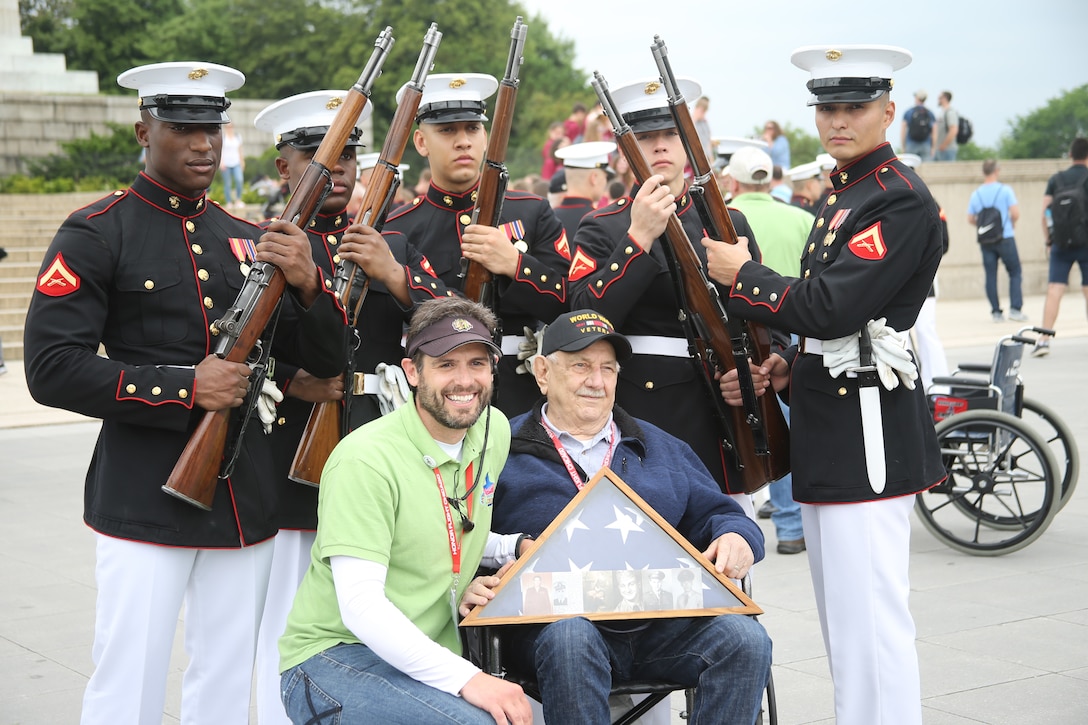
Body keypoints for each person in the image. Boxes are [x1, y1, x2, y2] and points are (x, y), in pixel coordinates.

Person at [22, 61, 349, 725]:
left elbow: (324, 361)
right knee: (129, 679)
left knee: (228, 681)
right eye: (183, 127)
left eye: (213, 127)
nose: (204, 142)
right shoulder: (98, 230)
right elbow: (51, 365)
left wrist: (311, 286)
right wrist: (183, 387)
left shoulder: (248, 237)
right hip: (145, 491)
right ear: (145, 130)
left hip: (242, 495)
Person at [702, 44, 945, 725]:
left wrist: (742, 274)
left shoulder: (896, 200)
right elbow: (833, 319)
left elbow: (833, 304)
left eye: (854, 107)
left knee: (871, 622)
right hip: (833, 422)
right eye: (828, 108)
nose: (838, 120)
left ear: (888, 112)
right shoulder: (847, 191)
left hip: (864, 430)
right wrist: (791, 360)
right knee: (847, 620)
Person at [250, 89, 447, 725]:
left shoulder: (387, 243)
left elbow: (458, 329)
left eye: (347, 157)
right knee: (290, 607)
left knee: (386, 604)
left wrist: (396, 276)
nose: (336, 170)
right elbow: (233, 344)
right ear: (285, 167)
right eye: (317, 156)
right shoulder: (266, 242)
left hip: (381, 435)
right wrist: (289, 378)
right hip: (296, 442)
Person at [491, 308, 772, 725]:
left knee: (745, 639)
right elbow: (463, 532)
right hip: (550, 626)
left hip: (656, 625)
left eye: (608, 368)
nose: (596, 381)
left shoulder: (660, 446)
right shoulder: (501, 448)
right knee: (572, 637)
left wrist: (737, 538)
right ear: (543, 372)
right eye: (581, 366)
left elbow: (722, 514)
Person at [278, 297, 532, 725]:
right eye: (445, 365)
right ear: (413, 372)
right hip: (335, 657)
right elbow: (361, 607)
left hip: (422, 653)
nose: (464, 380)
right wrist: (471, 679)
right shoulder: (366, 459)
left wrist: (513, 547)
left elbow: (442, 525)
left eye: (477, 363)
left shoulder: (495, 429)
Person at [568, 76, 770, 508]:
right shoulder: (603, 226)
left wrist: (758, 369)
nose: (659, 146)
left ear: (689, 143)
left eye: (670, 134)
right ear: (625, 152)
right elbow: (583, 317)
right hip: (643, 412)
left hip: (721, 411)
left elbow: (762, 312)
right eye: (644, 137)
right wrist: (637, 238)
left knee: (726, 545)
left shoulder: (726, 220)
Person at [382, 72, 571, 417]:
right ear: (421, 143)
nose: (463, 141)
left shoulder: (531, 211)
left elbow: (566, 301)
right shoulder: (398, 228)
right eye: (447, 131)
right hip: (439, 399)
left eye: (472, 128)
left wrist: (515, 264)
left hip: (522, 395)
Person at [723, 145, 814, 554]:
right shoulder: (802, 216)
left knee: (766, 426)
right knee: (793, 423)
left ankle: (789, 523)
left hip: (753, 332)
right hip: (797, 329)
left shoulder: (725, 216)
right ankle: (799, 521)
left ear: (734, 180)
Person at [1035, 137, 1088, 356]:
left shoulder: (1056, 179)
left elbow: (1045, 213)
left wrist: (1050, 241)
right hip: (1086, 243)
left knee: (1055, 289)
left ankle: (1044, 339)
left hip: (1061, 244)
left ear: (1070, 155)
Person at [968, 159, 1026, 322]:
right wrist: (1011, 223)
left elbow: (971, 218)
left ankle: (996, 312)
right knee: (1014, 272)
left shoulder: (976, 194)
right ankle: (1015, 309)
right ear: (997, 171)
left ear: (983, 172)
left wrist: (985, 227)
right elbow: (1015, 213)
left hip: (986, 241)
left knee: (990, 275)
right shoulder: (1005, 190)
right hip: (1005, 237)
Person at [551, 140, 616, 237]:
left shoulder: (549, 218)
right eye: (605, 177)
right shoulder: (600, 220)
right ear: (594, 178)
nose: (605, 182)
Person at [899, 90, 935, 160]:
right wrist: (933, 147)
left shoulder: (909, 112)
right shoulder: (930, 113)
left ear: (917, 98)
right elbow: (934, 132)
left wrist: (903, 147)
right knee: (926, 168)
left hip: (911, 143)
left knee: (910, 168)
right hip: (926, 144)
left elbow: (903, 130)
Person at [220, 121, 246, 209]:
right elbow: (221, 151)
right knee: (227, 183)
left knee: (239, 180)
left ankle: (238, 200)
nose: (229, 129)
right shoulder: (223, 138)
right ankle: (229, 202)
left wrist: (242, 161)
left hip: (236, 162)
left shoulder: (237, 137)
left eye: (231, 127)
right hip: (226, 164)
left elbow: (240, 150)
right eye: (228, 127)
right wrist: (221, 162)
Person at [933, 90, 960, 162]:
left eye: (939, 97)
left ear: (945, 98)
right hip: (941, 149)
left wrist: (944, 145)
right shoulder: (943, 112)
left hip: (948, 149)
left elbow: (953, 130)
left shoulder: (950, 112)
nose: (938, 100)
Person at [692, 96, 714, 165]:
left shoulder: (705, 124)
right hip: (695, 157)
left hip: (706, 157)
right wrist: (695, 118)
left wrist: (711, 160)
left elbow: (708, 143)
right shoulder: (690, 122)